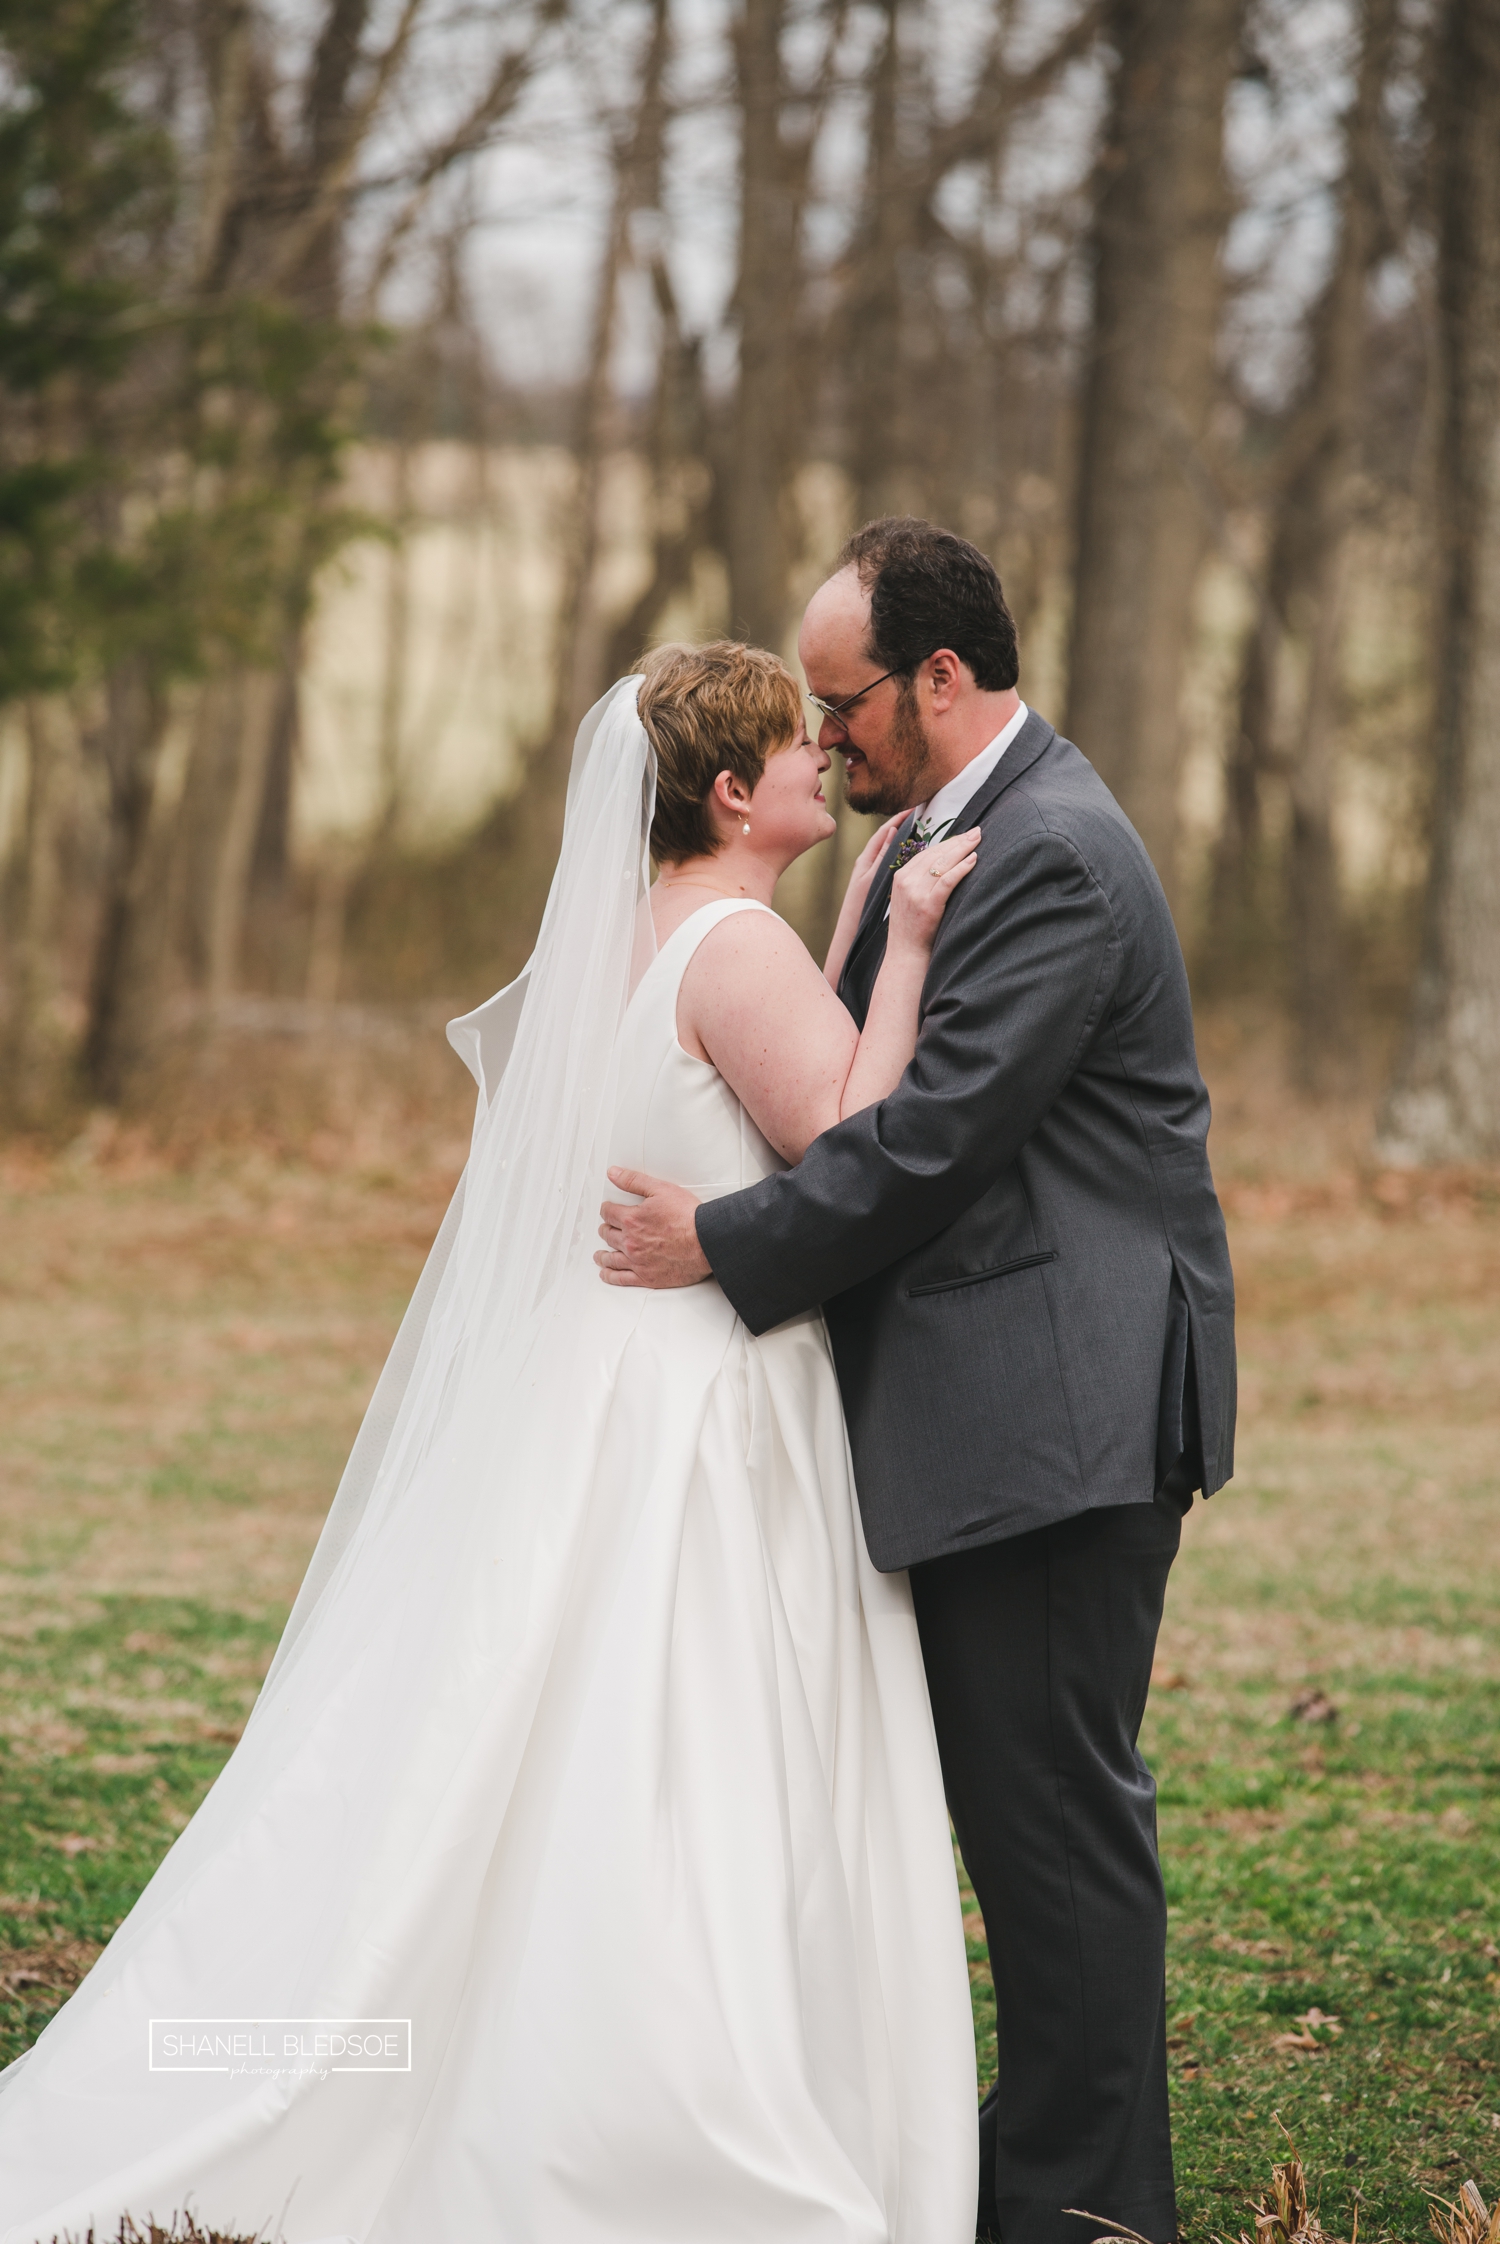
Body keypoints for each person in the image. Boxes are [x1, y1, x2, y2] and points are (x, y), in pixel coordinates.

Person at [0, 645, 982, 2244]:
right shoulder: (735, 942)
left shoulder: (615, 947)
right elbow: (858, 1145)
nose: (829, 756)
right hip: (700, 1407)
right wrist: (916, 937)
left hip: (585, 1382)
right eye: (797, 745)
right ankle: (655, 2109)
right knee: (685, 1749)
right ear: (731, 796)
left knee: (533, 1732)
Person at [598, 518, 1238, 2244]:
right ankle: (1027, 2174)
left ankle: (1086, 2213)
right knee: (1015, 1822)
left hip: (1061, 1413)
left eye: (842, 701)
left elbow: (933, 1146)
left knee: (1052, 1827)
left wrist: (727, 1242)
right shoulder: (925, 845)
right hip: (990, 1404)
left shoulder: (1056, 856)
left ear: (939, 680)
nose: (822, 736)